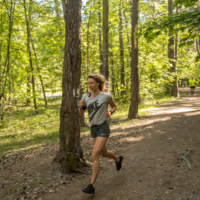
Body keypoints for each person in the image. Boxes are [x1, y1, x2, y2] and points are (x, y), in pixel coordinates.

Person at [78, 73, 123, 194]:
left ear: (98, 83)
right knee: (103, 153)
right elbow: (81, 114)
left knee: (94, 155)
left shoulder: (106, 96)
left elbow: (114, 107)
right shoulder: (86, 96)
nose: (90, 85)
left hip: (103, 127)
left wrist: (110, 113)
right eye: (88, 83)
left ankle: (91, 185)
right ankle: (118, 159)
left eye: (92, 83)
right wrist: (81, 107)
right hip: (93, 129)